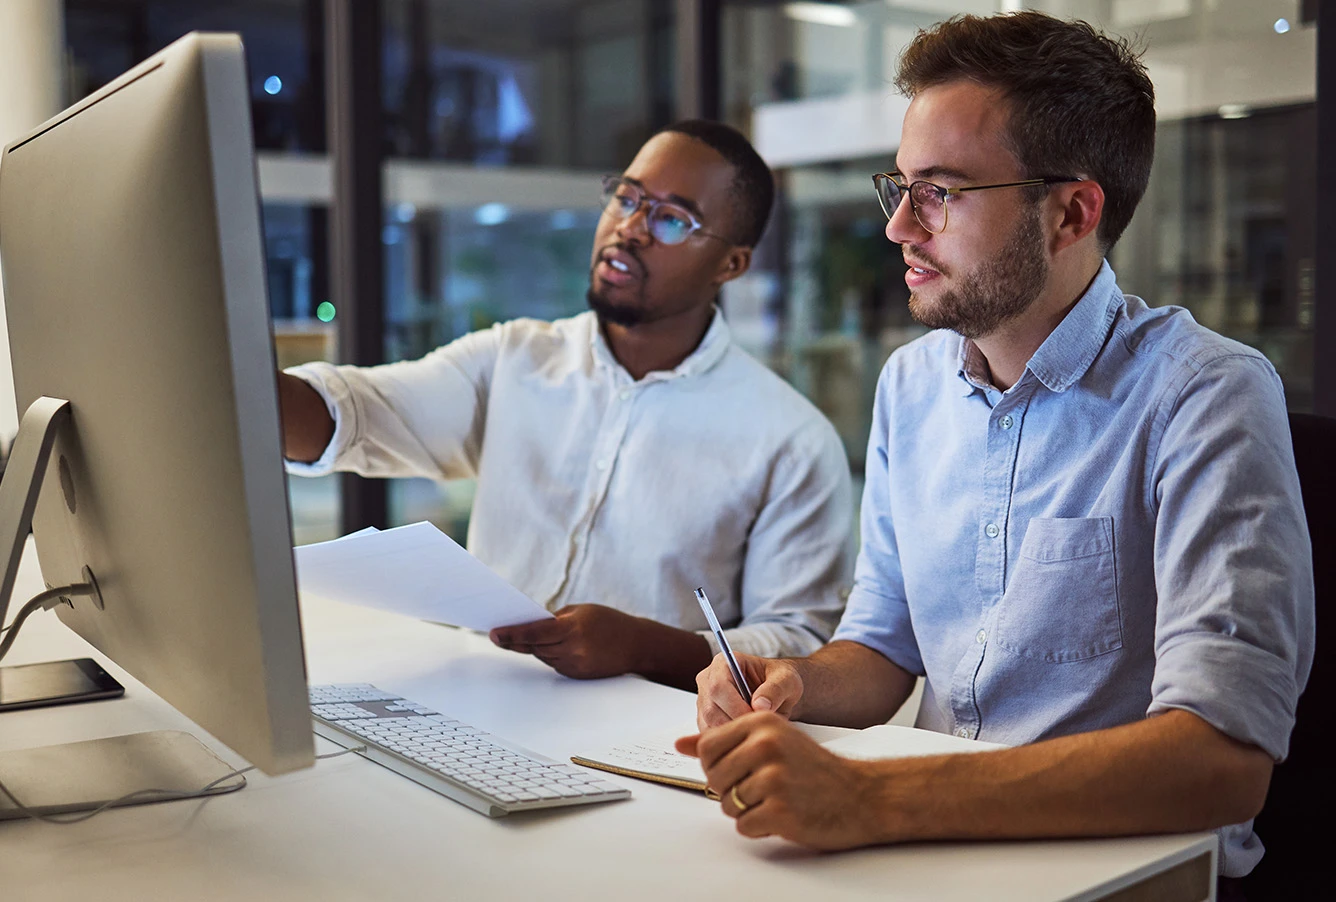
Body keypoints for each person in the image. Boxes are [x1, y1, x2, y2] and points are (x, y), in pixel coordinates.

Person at [680, 11, 1314, 888]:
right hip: (934, 853)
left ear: (1071, 212)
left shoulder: (1203, 394)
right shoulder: (910, 386)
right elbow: (883, 647)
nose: (901, 227)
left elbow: (1221, 761)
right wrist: (791, 681)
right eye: (898, 187)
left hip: (1124, 876)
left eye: (940, 191)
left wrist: (873, 800)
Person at [279, 120, 854, 691]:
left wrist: (646, 647)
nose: (630, 228)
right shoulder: (514, 358)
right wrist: (233, 373)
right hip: (477, 697)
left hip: (646, 735)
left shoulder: (791, 438)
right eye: (627, 198)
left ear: (731, 265)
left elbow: (798, 641)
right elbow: (353, 415)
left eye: (672, 219)